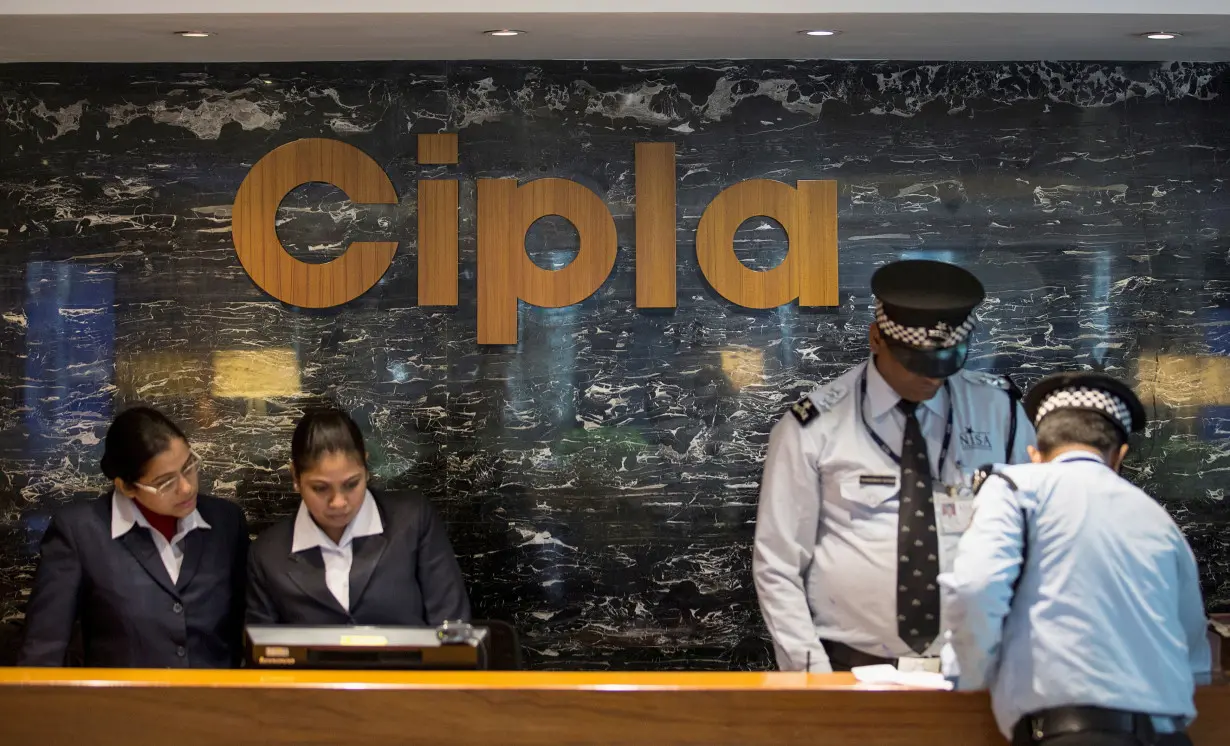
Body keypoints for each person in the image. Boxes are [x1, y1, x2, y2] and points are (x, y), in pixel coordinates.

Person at [753, 259, 1035, 672]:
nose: (931, 379)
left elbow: (1035, 539)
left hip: (980, 666)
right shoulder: (815, 426)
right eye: (916, 362)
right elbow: (778, 564)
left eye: (945, 363)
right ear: (877, 339)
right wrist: (811, 677)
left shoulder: (1000, 414)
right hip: (852, 665)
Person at [940, 372, 1212, 746]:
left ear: (1035, 453)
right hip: (1167, 735)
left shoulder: (1017, 487)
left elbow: (977, 587)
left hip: (1066, 734)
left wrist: (966, 674)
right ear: (1119, 456)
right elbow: (1194, 653)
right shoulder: (1157, 518)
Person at [18, 407, 249, 667]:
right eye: (165, 482)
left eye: (189, 467)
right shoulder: (81, 532)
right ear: (126, 487)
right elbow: (44, 649)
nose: (186, 487)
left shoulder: (226, 522)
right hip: (120, 704)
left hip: (214, 702)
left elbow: (245, 631)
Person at [246, 409, 470, 626]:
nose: (339, 502)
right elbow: (262, 650)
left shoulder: (411, 521)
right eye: (320, 488)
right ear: (296, 476)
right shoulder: (268, 554)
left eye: (351, 484)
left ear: (366, 467)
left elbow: (452, 627)